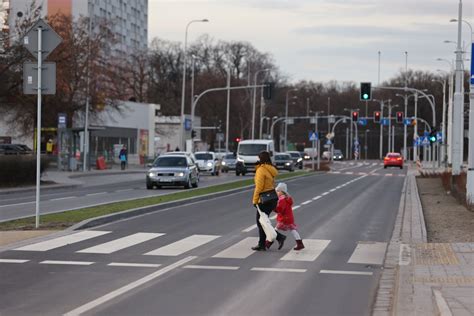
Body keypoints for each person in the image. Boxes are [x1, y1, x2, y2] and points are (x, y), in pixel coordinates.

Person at [251, 151, 286, 251]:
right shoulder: (270, 169)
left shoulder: (261, 170)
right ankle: (262, 244)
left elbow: (259, 187)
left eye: (258, 158)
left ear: (261, 159)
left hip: (264, 199)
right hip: (272, 198)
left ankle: (279, 237)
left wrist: (255, 200)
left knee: (261, 222)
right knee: (262, 221)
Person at [274, 182, 305, 250]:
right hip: (289, 218)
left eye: (278, 191)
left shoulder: (282, 200)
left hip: (284, 219)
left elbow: (280, 210)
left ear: (282, 192)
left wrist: (274, 208)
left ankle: (267, 243)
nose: (277, 192)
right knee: (293, 230)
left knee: (273, 231)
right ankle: (300, 243)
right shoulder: (286, 198)